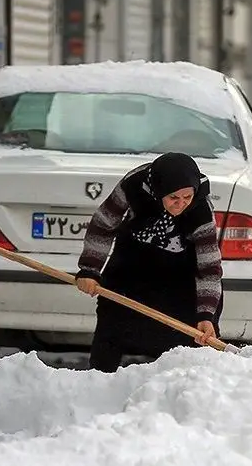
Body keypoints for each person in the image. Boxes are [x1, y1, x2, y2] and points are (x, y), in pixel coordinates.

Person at [75, 152, 224, 372]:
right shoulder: (134, 185)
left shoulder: (200, 210)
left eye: (187, 197)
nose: (180, 204)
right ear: (160, 190)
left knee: (191, 336)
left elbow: (208, 268)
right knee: (112, 324)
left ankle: (186, 390)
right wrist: (89, 269)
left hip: (180, 274)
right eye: (174, 198)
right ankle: (99, 384)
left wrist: (206, 315)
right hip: (132, 263)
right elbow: (103, 225)